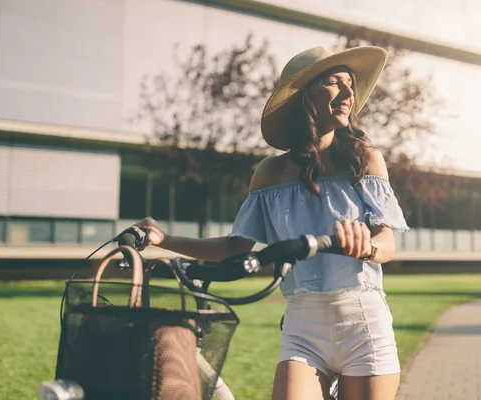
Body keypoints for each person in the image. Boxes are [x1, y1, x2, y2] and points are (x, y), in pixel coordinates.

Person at [135, 46, 409, 400]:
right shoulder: (270, 173)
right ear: (305, 96)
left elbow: (387, 243)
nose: (347, 94)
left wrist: (367, 246)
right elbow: (235, 248)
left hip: (362, 321)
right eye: (333, 83)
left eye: (350, 85)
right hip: (303, 325)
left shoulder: (365, 160)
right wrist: (164, 238)